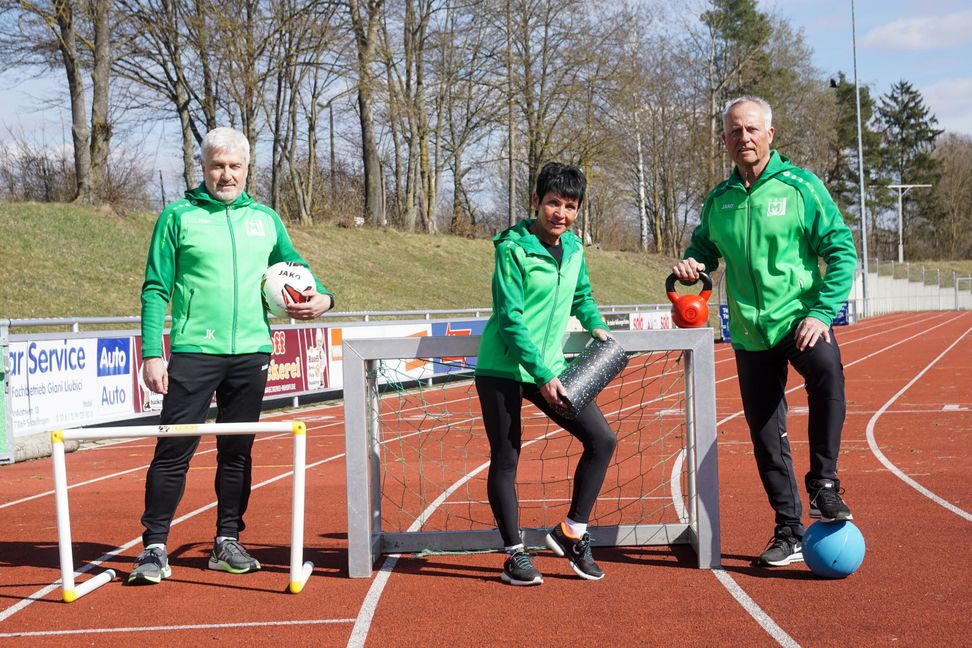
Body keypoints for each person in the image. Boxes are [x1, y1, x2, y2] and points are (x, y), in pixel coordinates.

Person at [130, 127, 334, 585]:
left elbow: (296, 266)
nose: (226, 174)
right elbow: (155, 289)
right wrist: (151, 354)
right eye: (217, 166)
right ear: (202, 168)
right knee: (174, 450)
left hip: (252, 352)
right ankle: (155, 547)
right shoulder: (177, 217)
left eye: (234, 167)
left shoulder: (265, 218)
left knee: (238, 451)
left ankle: (226, 541)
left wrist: (323, 297)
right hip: (194, 350)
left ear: (246, 170)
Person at [673, 96, 857, 568]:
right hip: (751, 331)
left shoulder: (801, 187)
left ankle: (825, 485)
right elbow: (704, 250)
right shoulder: (720, 199)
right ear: (725, 141)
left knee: (828, 375)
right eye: (735, 131)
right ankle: (788, 530)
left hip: (801, 318)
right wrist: (694, 265)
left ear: (770, 135)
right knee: (764, 433)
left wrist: (821, 312)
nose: (745, 138)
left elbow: (841, 251)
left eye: (752, 129)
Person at [475, 162, 617, 586]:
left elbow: (582, 296)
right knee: (507, 457)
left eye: (570, 206)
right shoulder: (512, 247)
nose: (561, 213)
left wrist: (595, 323)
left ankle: (572, 532)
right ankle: (514, 554)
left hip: (549, 366)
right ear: (536, 202)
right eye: (553, 202)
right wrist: (540, 374)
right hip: (504, 366)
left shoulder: (574, 249)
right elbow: (511, 317)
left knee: (602, 439)